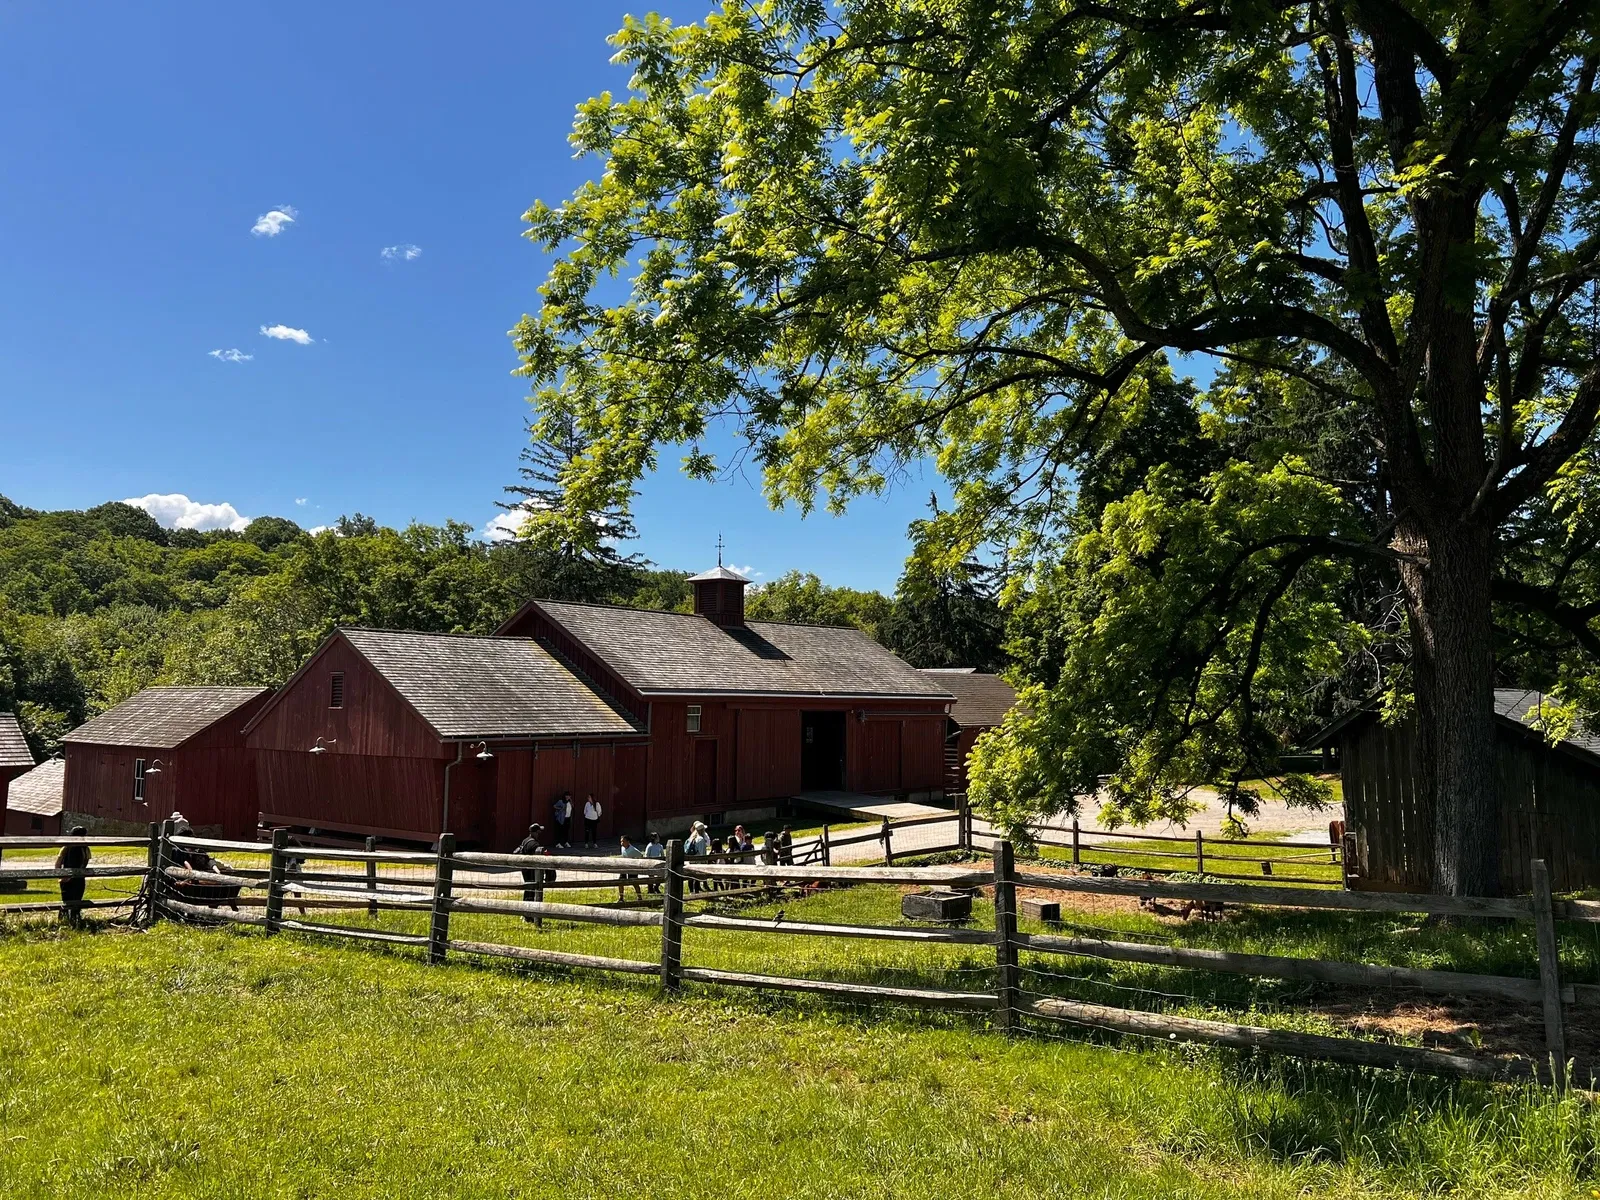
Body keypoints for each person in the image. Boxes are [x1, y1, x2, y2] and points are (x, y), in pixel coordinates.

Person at [514, 823, 551, 922]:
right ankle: (529, 915)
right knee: (532, 891)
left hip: (525, 869)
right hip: (532, 870)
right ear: (535, 832)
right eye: (538, 832)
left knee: (528, 890)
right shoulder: (534, 844)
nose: (539, 834)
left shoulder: (525, 840)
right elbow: (542, 855)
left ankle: (526, 913)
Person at [55, 825, 90, 928]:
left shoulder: (68, 847)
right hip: (76, 877)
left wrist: (61, 875)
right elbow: (85, 862)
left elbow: (58, 863)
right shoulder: (83, 848)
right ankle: (70, 920)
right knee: (72, 899)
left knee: (70, 899)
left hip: (72, 877)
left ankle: (69, 920)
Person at [684, 821, 710, 893]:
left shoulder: (691, 837)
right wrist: (704, 861)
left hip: (691, 860)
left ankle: (691, 891)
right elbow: (702, 853)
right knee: (696, 877)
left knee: (691, 876)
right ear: (702, 830)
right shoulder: (701, 839)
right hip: (698, 861)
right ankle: (696, 892)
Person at [616, 835, 645, 902]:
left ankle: (639, 897)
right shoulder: (622, 848)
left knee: (634, 882)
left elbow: (641, 855)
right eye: (621, 841)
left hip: (632, 868)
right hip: (624, 867)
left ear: (628, 842)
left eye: (623, 841)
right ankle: (621, 898)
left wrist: (636, 864)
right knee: (620, 882)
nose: (621, 843)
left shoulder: (633, 850)